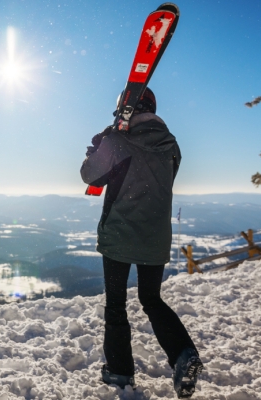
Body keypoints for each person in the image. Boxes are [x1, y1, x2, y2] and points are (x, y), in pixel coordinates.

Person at [80, 88, 203, 398]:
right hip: (155, 237)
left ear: (124, 108)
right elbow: (161, 178)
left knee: (116, 306)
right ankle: (183, 354)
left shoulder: (117, 141)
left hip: (120, 235)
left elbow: (90, 176)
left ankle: (120, 373)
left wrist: (98, 149)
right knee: (151, 299)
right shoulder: (171, 146)